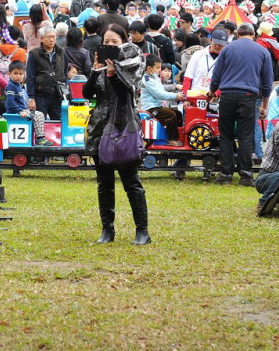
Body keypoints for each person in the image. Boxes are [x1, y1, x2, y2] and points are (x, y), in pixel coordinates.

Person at [82, 23, 149, 245]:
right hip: (101, 125)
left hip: (123, 125)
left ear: (124, 43)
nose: (110, 45)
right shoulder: (100, 63)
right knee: (104, 182)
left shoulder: (131, 64)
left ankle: (142, 231)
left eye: (115, 42)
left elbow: (125, 94)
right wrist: (95, 70)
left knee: (131, 181)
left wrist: (113, 73)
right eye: (106, 42)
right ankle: (107, 230)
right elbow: (87, 93)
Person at [207, 23, 273, 186]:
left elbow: (216, 75)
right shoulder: (262, 51)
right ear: (253, 35)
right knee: (245, 136)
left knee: (226, 135)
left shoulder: (228, 49)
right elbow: (267, 82)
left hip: (227, 95)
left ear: (237, 35)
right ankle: (245, 175)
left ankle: (226, 173)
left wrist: (211, 92)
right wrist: (264, 105)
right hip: (248, 97)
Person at [5, 62, 52, 146]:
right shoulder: (11, 86)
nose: (18, 76)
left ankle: (36, 136)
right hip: (15, 111)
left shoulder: (18, 84)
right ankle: (40, 138)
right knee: (39, 115)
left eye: (21, 74)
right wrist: (20, 111)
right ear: (9, 73)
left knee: (39, 114)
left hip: (22, 109)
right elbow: (10, 101)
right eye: (15, 73)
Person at [141, 54, 184, 146]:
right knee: (171, 115)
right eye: (157, 68)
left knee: (178, 114)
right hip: (151, 109)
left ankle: (179, 136)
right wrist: (175, 96)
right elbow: (159, 94)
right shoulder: (147, 80)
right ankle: (172, 139)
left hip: (158, 107)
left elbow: (162, 90)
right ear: (149, 68)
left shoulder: (155, 78)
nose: (159, 70)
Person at [26, 26, 67, 120]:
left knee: (59, 123)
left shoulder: (61, 52)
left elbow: (64, 72)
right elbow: (30, 77)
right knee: (39, 123)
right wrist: (31, 98)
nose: (52, 40)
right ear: (41, 39)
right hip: (41, 95)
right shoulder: (34, 54)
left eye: (54, 36)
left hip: (57, 95)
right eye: (49, 37)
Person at [183, 29, 227, 93]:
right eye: (215, 43)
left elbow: (226, 82)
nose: (217, 46)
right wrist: (185, 97)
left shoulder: (226, 59)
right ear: (210, 40)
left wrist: (216, 94)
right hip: (195, 94)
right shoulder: (198, 55)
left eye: (220, 44)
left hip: (214, 97)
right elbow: (188, 77)